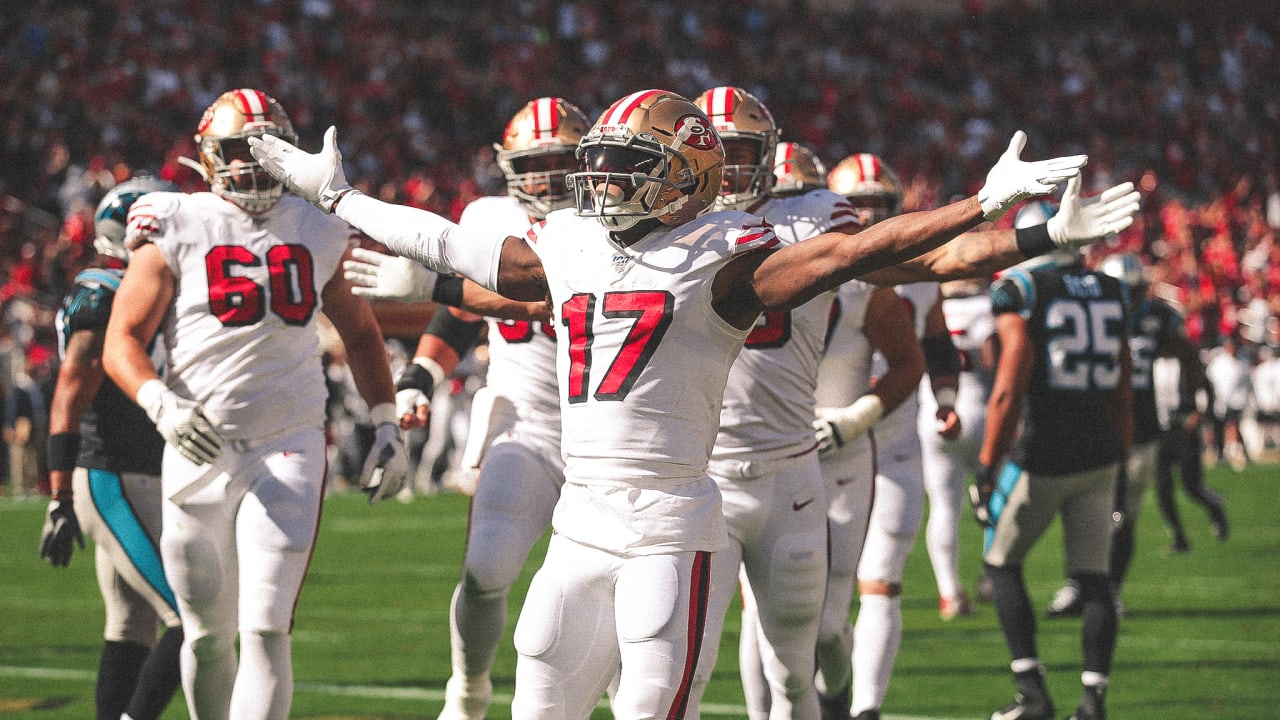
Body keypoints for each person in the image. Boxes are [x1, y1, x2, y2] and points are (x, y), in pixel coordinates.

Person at [250, 88, 1138, 720]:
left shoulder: (731, 261)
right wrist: (332, 194)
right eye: (599, 167)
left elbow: (863, 254)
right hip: (579, 522)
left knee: (660, 700)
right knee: (541, 693)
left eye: (623, 168)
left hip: (675, 522)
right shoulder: (572, 244)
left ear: (681, 176)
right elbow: (459, 249)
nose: (598, 185)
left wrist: (1004, 215)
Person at [102, 88, 410, 720]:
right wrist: (160, 402)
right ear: (205, 158)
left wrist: (385, 423)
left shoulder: (318, 225)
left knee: (267, 629)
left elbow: (359, 331)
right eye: (234, 152)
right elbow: (121, 340)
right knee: (208, 636)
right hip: (198, 446)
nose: (247, 165)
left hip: (289, 443)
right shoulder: (173, 218)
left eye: (258, 151)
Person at [344, 96, 583, 720]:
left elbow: (548, 303)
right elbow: (462, 312)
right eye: (534, 164)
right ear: (508, 168)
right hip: (527, 427)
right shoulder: (490, 216)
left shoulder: (613, 223)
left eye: (561, 162)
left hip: (608, 441)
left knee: (591, 598)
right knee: (483, 572)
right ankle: (469, 689)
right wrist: (420, 376)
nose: (548, 178)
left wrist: (436, 283)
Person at [974, 210, 1133, 720]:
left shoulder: (1022, 286)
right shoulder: (1112, 287)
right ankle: (1093, 700)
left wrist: (987, 463)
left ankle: (1032, 692)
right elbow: (1124, 386)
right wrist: (1122, 455)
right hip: (1102, 451)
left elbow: (1010, 382)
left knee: (1000, 563)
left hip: (1044, 452)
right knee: (1094, 578)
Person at [38, 176, 186, 720]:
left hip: (138, 474)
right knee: (192, 618)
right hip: (113, 476)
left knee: (130, 630)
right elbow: (70, 393)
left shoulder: (136, 288)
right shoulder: (104, 291)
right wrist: (59, 494)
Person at [1045, 251, 1215, 618]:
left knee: (1123, 516)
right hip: (1094, 427)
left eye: (1133, 291)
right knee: (1084, 513)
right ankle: (1079, 585)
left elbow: (1187, 353)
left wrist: (1191, 400)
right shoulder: (1091, 313)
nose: (1129, 299)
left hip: (1140, 431)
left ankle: (1110, 590)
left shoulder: (1154, 317)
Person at [918, 276, 998, 617]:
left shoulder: (927, 306)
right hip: (980, 413)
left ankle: (949, 593)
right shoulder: (985, 308)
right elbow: (994, 361)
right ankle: (993, 577)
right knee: (995, 501)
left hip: (935, 413)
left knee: (943, 508)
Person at [1152, 352, 1228, 554]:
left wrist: (1200, 415)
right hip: (1160, 432)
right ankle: (1179, 538)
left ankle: (1215, 506)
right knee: (1163, 489)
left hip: (1185, 430)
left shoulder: (1186, 361)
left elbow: (1208, 389)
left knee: (1191, 486)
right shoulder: (1151, 359)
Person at [1204, 333, 1252, 471]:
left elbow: (1244, 383)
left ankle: (1241, 452)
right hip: (1219, 400)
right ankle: (1220, 454)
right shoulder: (1219, 362)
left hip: (1235, 401)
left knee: (1234, 425)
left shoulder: (1241, 362)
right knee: (1218, 427)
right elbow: (1211, 381)